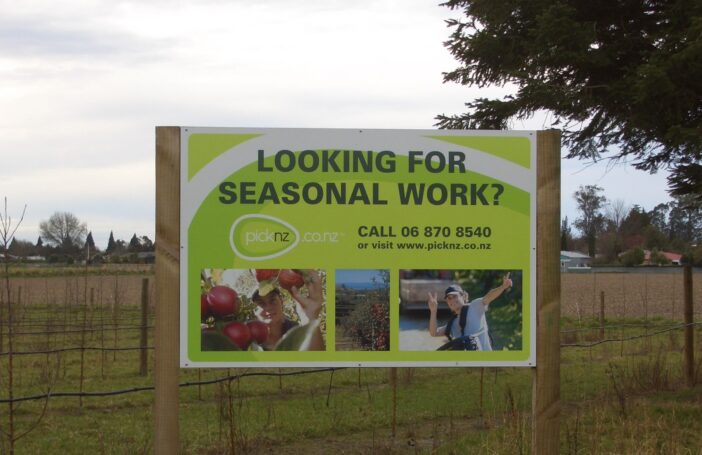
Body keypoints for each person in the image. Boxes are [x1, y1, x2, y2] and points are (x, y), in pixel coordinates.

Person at [427, 272, 512, 351]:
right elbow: (434, 332)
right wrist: (433, 311)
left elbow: (488, 297)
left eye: (455, 296)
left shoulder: (475, 306)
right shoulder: (452, 323)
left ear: (463, 296)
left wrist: (502, 287)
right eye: (449, 298)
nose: (452, 300)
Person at [252, 269, 325, 351]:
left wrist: (310, 317)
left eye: (272, 300)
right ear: (254, 310)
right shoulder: (249, 339)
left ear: (281, 302)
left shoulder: (295, 330)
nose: (268, 307)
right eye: (261, 303)